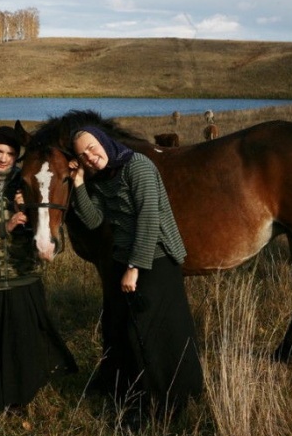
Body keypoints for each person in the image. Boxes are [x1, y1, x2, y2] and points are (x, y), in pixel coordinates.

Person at [68, 125, 203, 419]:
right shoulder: (101, 178)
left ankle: (165, 402)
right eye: (82, 155)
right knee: (132, 330)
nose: (89, 157)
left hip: (155, 258)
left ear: (103, 142)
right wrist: (79, 184)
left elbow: (149, 219)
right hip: (126, 258)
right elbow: (93, 221)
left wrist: (134, 268)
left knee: (156, 330)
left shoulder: (137, 166)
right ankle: (141, 394)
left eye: (92, 148)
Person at [0, 126, 77, 417]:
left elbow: (49, 229)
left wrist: (32, 209)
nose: (4, 158)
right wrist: (5, 224)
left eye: (10, 153)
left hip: (22, 276)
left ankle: (16, 400)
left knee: (19, 344)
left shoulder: (27, 182)